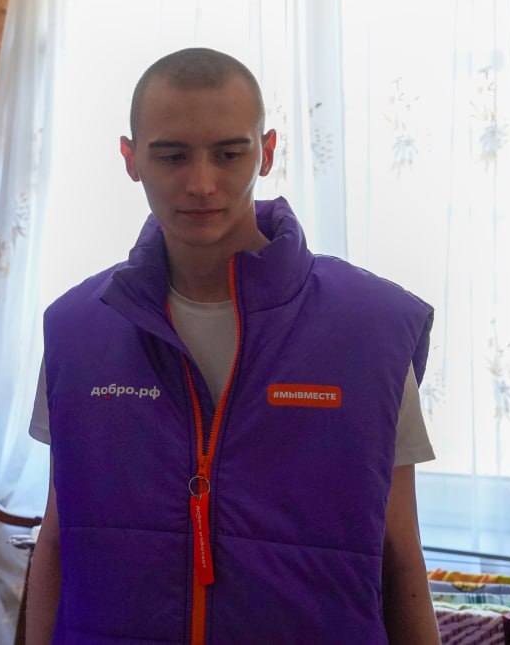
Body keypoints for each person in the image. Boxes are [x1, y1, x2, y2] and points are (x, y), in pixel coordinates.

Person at [24, 48, 440, 644]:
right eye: (172, 156)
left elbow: (401, 556)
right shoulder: (77, 330)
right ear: (131, 158)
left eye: (228, 153)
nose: (201, 183)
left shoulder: (370, 330)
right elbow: (59, 537)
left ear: (266, 152)